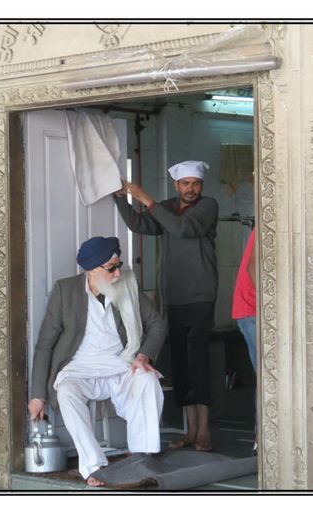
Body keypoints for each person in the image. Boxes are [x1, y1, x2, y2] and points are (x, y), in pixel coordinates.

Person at [27, 236, 167, 486]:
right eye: (111, 268)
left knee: (147, 380)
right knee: (67, 391)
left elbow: (157, 324)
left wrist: (144, 355)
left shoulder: (127, 286)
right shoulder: (65, 290)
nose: (117, 273)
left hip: (121, 365)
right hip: (79, 369)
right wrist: (38, 395)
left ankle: (140, 456)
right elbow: (45, 343)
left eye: (118, 265)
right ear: (92, 269)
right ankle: (95, 466)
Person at [116, 160, 219, 451]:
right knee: (180, 362)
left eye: (195, 183)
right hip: (173, 294)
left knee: (199, 358)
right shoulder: (167, 207)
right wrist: (119, 198)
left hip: (200, 293)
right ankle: (189, 431)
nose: (191, 189)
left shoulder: (207, 206)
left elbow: (182, 228)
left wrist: (144, 197)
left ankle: (204, 431)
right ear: (176, 185)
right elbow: (139, 223)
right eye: (185, 184)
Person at [232, 228, 258, 370]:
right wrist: (268, 307)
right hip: (252, 308)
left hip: (255, 308)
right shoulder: (267, 223)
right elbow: (253, 267)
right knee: (268, 376)